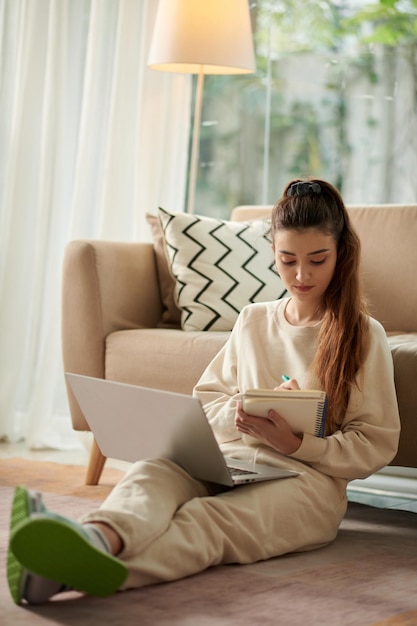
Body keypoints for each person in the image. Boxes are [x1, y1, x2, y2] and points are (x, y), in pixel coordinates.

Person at [7, 178, 400, 606]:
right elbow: (207, 400)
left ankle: (60, 575)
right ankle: (97, 537)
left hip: (309, 483)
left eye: (317, 260)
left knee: (207, 520)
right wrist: (235, 411)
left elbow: (375, 442)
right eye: (288, 260)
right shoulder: (253, 320)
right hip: (232, 459)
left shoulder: (362, 335)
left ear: (340, 254)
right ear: (273, 253)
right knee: (154, 471)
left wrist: (299, 444)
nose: (301, 275)